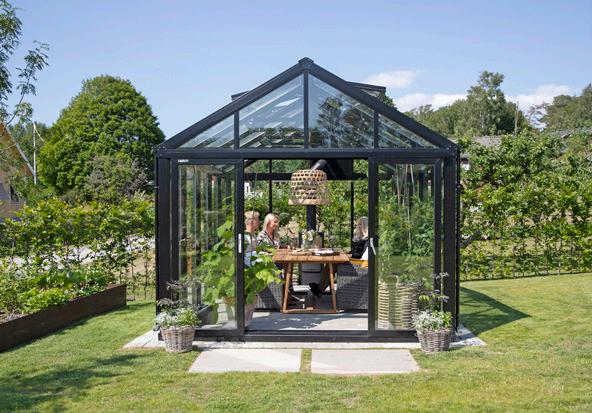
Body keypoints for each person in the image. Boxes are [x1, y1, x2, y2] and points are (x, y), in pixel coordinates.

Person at [309, 216, 369, 297]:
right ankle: (320, 288)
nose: (358, 226)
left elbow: (361, 254)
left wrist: (350, 255)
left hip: (357, 263)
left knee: (332, 265)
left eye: (361, 224)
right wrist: (347, 253)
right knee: (329, 265)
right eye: (358, 224)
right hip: (352, 259)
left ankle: (320, 289)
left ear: (365, 225)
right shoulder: (360, 237)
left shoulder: (367, 239)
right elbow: (354, 250)